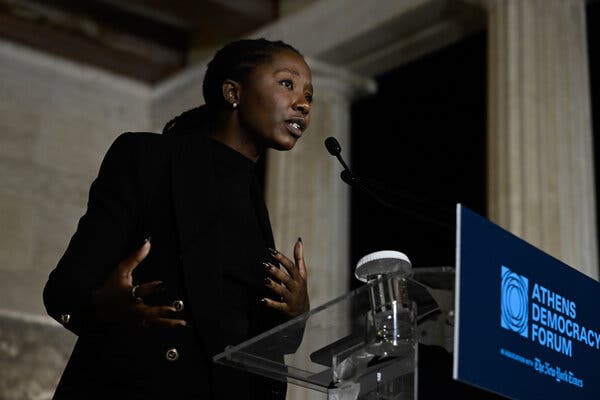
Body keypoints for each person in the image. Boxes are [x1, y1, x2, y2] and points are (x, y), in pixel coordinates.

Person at [43, 38, 313, 400]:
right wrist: (107, 306)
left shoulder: (253, 201)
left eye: (309, 94)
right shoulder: (149, 159)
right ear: (233, 92)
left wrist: (296, 311)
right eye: (287, 83)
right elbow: (64, 291)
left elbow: (253, 337)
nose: (303, 103)